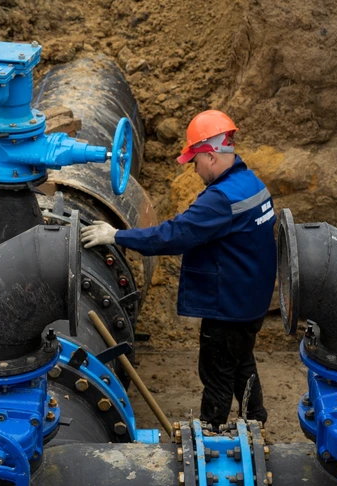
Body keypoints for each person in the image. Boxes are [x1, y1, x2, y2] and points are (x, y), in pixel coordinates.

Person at [81, 110, 276, 428]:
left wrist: (116, 235)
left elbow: (173, 235)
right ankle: (256, 420)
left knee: (216, 372)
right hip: (251, 301)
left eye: (195, 161)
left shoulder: (220, 199)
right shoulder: (250, 183)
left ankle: (212, 432)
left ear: (210, 156)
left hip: (229, 308)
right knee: (241, 361)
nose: (195, 170)